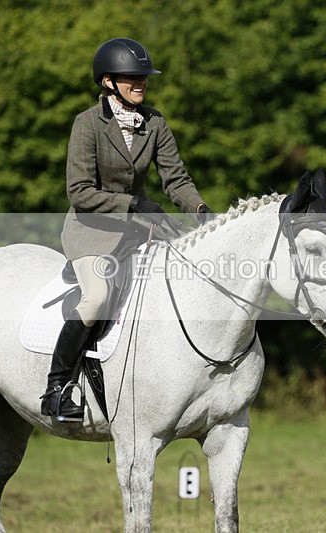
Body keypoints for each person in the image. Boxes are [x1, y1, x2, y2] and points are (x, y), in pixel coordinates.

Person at [41, 38, 213, 422]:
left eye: (143, 77)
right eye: (131, 77)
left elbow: (176, 179)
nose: (140, 83)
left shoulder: (155, 123)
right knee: (98, 295)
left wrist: (201, 210)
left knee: (193, 269)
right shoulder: (87, 124)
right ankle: (56, 388)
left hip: (144, 225)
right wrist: (132, 205)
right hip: (92, 229)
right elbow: (80, 192)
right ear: (107, 81)